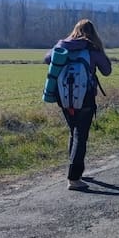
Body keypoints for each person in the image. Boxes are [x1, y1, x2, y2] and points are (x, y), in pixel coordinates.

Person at [44, 19, 113, 189]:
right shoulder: (91, 49)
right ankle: (74, 178)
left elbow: (47, 59)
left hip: (63, 96)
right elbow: (107, 70)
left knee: (73, 132)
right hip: (85, 97)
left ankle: (76, 171)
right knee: (81, 136)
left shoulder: (62, 45)